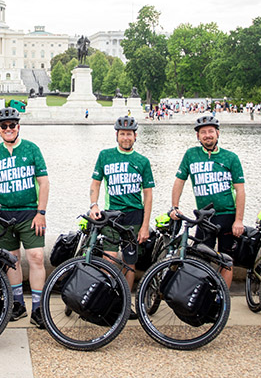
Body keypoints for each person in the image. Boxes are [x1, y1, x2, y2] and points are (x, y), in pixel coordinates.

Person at [0, 107, 50, 328]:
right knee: (11, 261)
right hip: (3, 215)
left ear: (18, 127)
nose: (8, 129)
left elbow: (44, 182)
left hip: (29, 213)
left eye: (12, 125)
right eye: (4, 126)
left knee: (37, 258)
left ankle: (39, 309)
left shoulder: (31, 149)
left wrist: (41, 212)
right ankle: (18, 304)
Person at [170, 114, 245, 287]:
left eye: (211, 131)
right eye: (203, 132)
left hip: (227, 215)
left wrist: (239, 220)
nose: (207, 135)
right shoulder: (191, 155)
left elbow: (240, 190)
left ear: (217, 133)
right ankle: (204, 296)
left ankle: (222, 300)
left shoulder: (230, 157)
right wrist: (175, 206)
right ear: (198, 136)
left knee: (226, 261)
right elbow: (179, 182)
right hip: (204, 217)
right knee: (200, 259)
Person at [89, 116, 154, 315]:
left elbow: (148, 195)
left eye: (129, 134)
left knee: (130, 261)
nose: (126, 138)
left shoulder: (142, 161)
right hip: (112, 214)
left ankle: (126, 302)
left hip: (134, 214)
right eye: (122, 134)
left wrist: (145, 226)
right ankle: (106, 299)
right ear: (116, 135)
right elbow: (96, 183)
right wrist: (94, 204)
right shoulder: (105, 155)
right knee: (109, 258)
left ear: (135, 136)